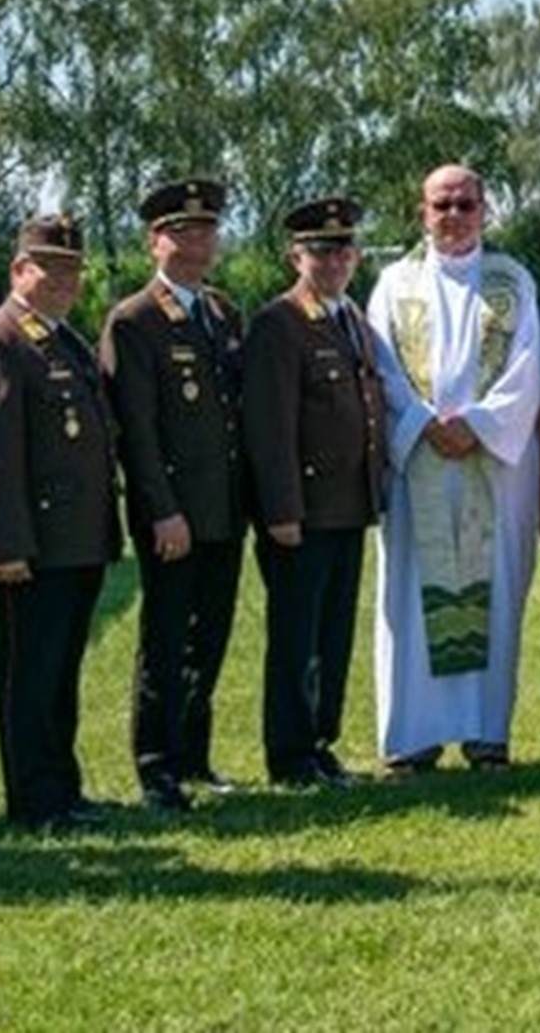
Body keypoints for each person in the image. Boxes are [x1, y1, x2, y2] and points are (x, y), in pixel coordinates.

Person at [365, 164, 540, 773]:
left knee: (493, 592)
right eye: (442, 205)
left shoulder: (512, 280)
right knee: (412, 598)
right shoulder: (393, 283)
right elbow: (379, 364)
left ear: (485, 210)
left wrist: (481, 425)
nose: (454, 216)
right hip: (419, 464)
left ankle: (487, 734)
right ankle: (413, 738)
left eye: (466, 204)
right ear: (423, 213)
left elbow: (527, 368)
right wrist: (421, 424)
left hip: (494, 469)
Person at [0, 216, 122, 831]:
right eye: (50, 267)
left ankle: (63, 787)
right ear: (19, 270)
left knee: (59, 674)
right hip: (33, 546)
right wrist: (5, 547)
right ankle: (36, 800)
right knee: (31, 675)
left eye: (72, 269)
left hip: (75, 540)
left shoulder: (60, 339)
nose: (64, 280)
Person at [100, 180, 247, 813]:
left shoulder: (220, 311)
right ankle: (156, 766)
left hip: (224, 509)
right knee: (164, 641)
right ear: (153, 241)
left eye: (206, 229)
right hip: (174, 514)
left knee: (208, 637)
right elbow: (136, 430)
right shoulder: (133, 320)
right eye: (181, 231)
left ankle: (193, 754)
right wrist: (162, 510)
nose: (197, 241)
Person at [242, 197, 387, 788]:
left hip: (347, 507)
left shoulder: (349, 315)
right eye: (320, 251)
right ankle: (290, 753)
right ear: (295, 255)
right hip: (300, 513)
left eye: (343, 250)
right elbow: (269, 429)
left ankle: (320, 743)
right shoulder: (279, 324)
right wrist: (281, 511)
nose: (333, 261)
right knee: (297, 637)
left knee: (332, 635)